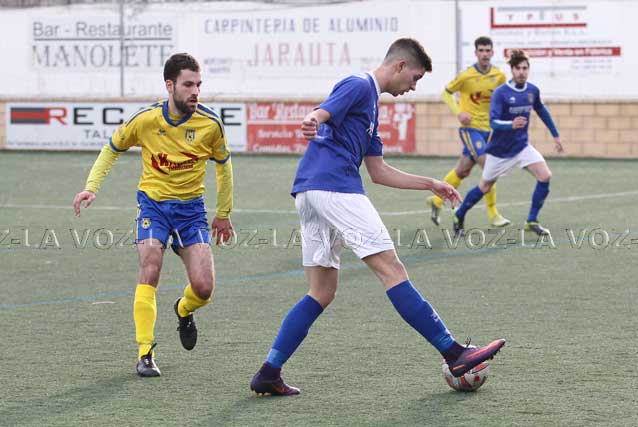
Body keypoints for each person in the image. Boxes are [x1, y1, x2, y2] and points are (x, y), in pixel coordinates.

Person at [249, 38, 506, 396]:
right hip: (336, 189)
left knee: (321, 291)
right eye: (415, 78)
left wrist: (432, 184)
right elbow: (322, 112)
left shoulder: (371, 107)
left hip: (310, 193)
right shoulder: (359, 85)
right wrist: (312, 119)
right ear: (400, 66)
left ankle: (269, 371)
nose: (413, 87)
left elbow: (379, 171)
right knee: (392, 269)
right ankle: (454, 354)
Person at [72, 53, 234, 377]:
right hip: (154, 207)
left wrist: (223, 213)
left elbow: (223, 167)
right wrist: (91, 186)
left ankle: (183, 309)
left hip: (191, 212)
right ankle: (145, 353)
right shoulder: (146, 120)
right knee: (150, 267)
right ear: (169, 85)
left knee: (204, 289)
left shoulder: (210, 124)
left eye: (199, 85)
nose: (195, 92)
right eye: (188, 85)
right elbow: (112, 148)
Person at [453, 49, 563, 237]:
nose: (522, 72)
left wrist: (555, 135)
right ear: (512, 70)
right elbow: (493, 122)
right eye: (518, 68)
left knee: (545, 176)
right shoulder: (501, 93)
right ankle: (459, 214)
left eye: (525, 68)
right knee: (484, 187)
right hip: (499, 152)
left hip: (521, 147)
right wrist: (511, 124)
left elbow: (542, 111)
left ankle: (531, 220)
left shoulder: (532, 91)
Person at [427, 36, 510, 228]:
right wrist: (459, 112)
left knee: (463, 170)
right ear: (476, 53)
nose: (484, 54)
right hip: (470, 129)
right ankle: (493, 214)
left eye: (487, 50)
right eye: (481, 51)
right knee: (489, 167)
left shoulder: (499, 76)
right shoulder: (466, 76)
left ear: (492, 52)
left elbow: (502, 101)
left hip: (490, 130)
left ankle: (436, 201)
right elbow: (446, 93)